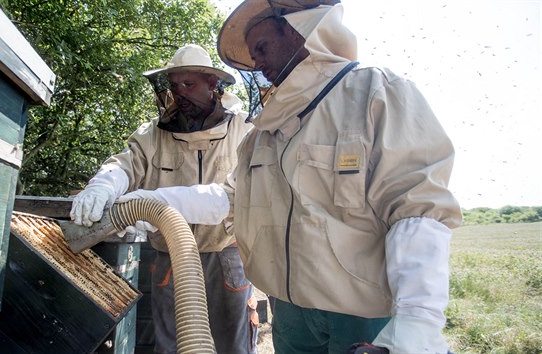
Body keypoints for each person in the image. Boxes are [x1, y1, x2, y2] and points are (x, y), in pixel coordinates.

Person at [118, 1, 464, 353]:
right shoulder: (263, 134)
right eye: (253, 56)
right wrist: (152, 201)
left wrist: (418, 320)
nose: (258, 64)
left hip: (362, 314)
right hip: (290, 314)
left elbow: (416, 208)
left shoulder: (376, 93)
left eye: (263, 48)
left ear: (302, 33)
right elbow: (229, 199)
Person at [70, 44, 257, 354]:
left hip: (225, 254)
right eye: (174, 85)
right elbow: (125, 163)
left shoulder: (242, 131)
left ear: (213, 84)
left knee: (232, 346)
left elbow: (237, 196)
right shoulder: (154, 133)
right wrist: (103, 185)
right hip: (170, 256)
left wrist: (156, 201)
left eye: (189, 84)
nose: (180, 93)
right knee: (171, 345)